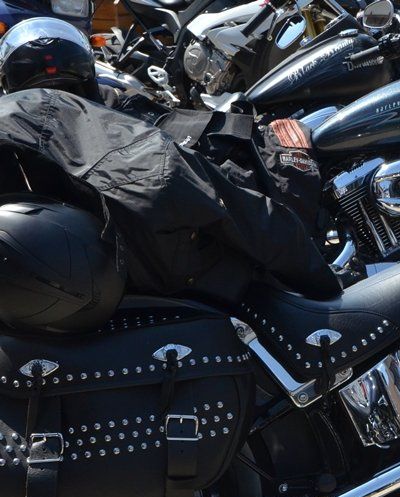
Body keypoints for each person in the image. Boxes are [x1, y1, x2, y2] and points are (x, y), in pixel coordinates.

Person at [0, 17, 341, 304]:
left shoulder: (18, 140)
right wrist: (324, 287)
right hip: (183, 287)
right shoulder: (134, 153)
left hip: (64, 296)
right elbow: (230, 207)